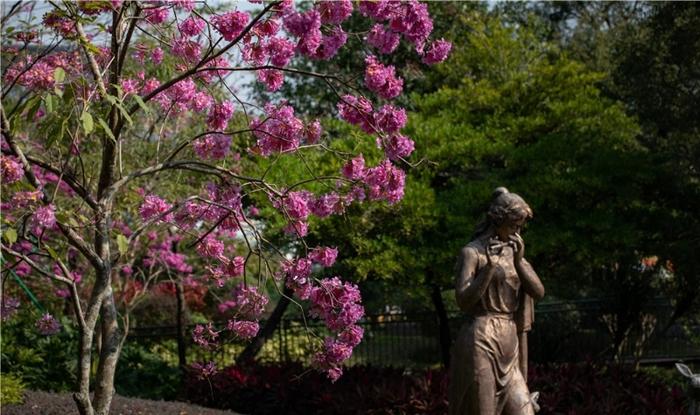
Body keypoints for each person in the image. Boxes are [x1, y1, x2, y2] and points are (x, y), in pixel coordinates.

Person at [449, 187, 545, 415]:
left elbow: (538, 292)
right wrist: (489, 268)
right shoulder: (472, 253)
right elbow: (463, 300)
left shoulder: (515, 253)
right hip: (481, 338)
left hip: (508, 339)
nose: (517, 231)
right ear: (498, 220)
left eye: (520, 227)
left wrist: (520, 263)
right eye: (514, 225)